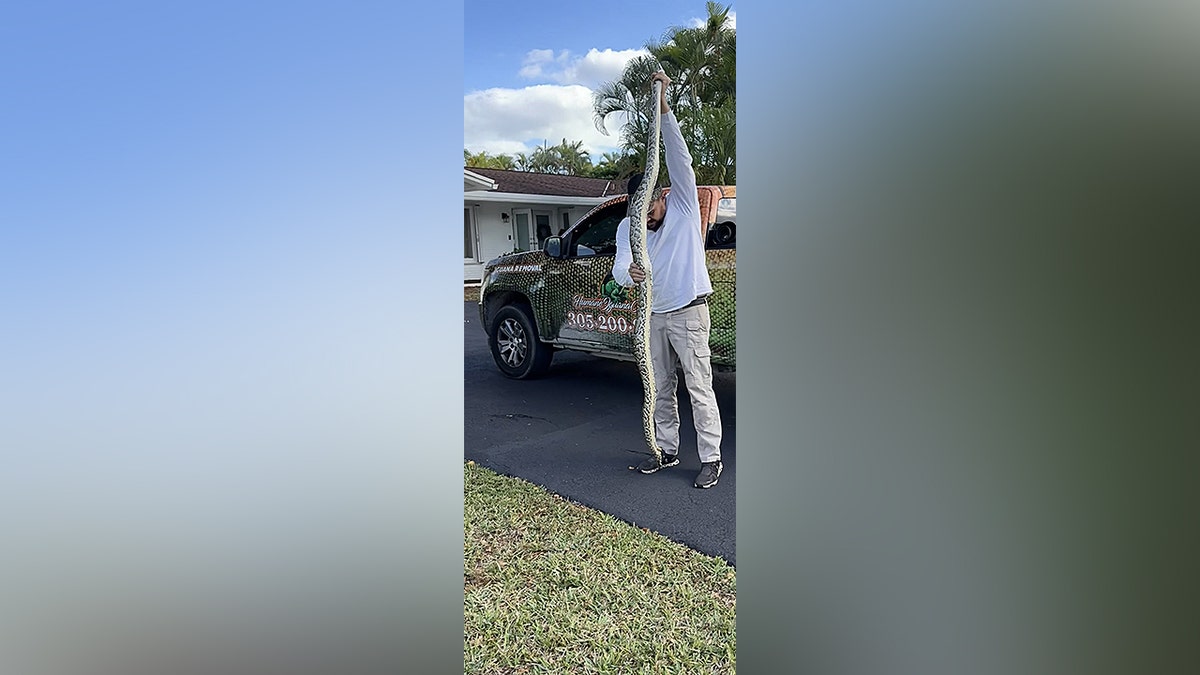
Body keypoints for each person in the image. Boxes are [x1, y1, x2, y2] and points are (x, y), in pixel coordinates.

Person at [613, 71, 724, 489]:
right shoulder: (629, 228)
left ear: (660, 196)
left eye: (648, 205)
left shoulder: (681, 206)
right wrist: (631, 274)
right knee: (660, 388)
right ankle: (666, 450)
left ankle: (711, 458)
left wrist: (663, 107)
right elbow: (620, 269)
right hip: (653, 317)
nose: (644, 214)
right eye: (636, 209)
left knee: (700, 388)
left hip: (690, 312)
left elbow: (679, 158)